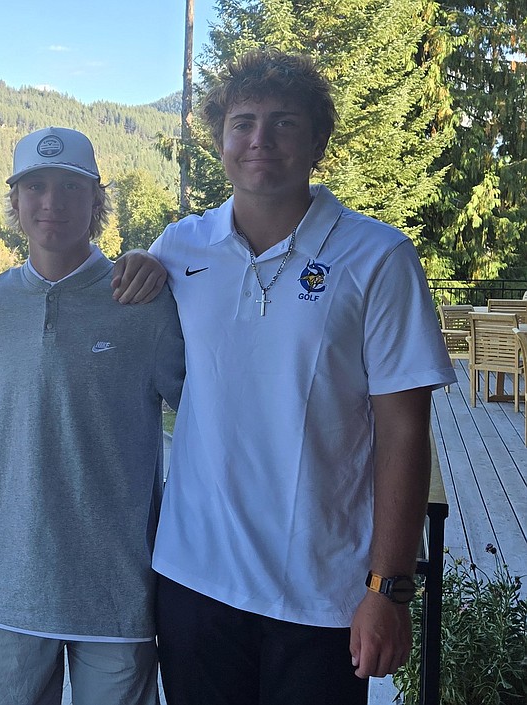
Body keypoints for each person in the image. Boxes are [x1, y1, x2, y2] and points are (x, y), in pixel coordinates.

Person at [115, 49, 455, 704]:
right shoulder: (181, 247)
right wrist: (136, 260)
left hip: (324, 594)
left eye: (284, 123)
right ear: (219, 139)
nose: (260, 141)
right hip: (194, 581)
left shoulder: (378, 257)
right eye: (243, 122)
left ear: (317, 141)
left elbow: (405, 433)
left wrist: (388, 587)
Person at [0, 127, 185, 705]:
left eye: (70, 187)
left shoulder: (145, 299)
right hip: (8, 581)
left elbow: (202, 415)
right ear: (15, 202)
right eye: (34, 186)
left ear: (96, 201)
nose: (51, 202)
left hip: (117, 584)